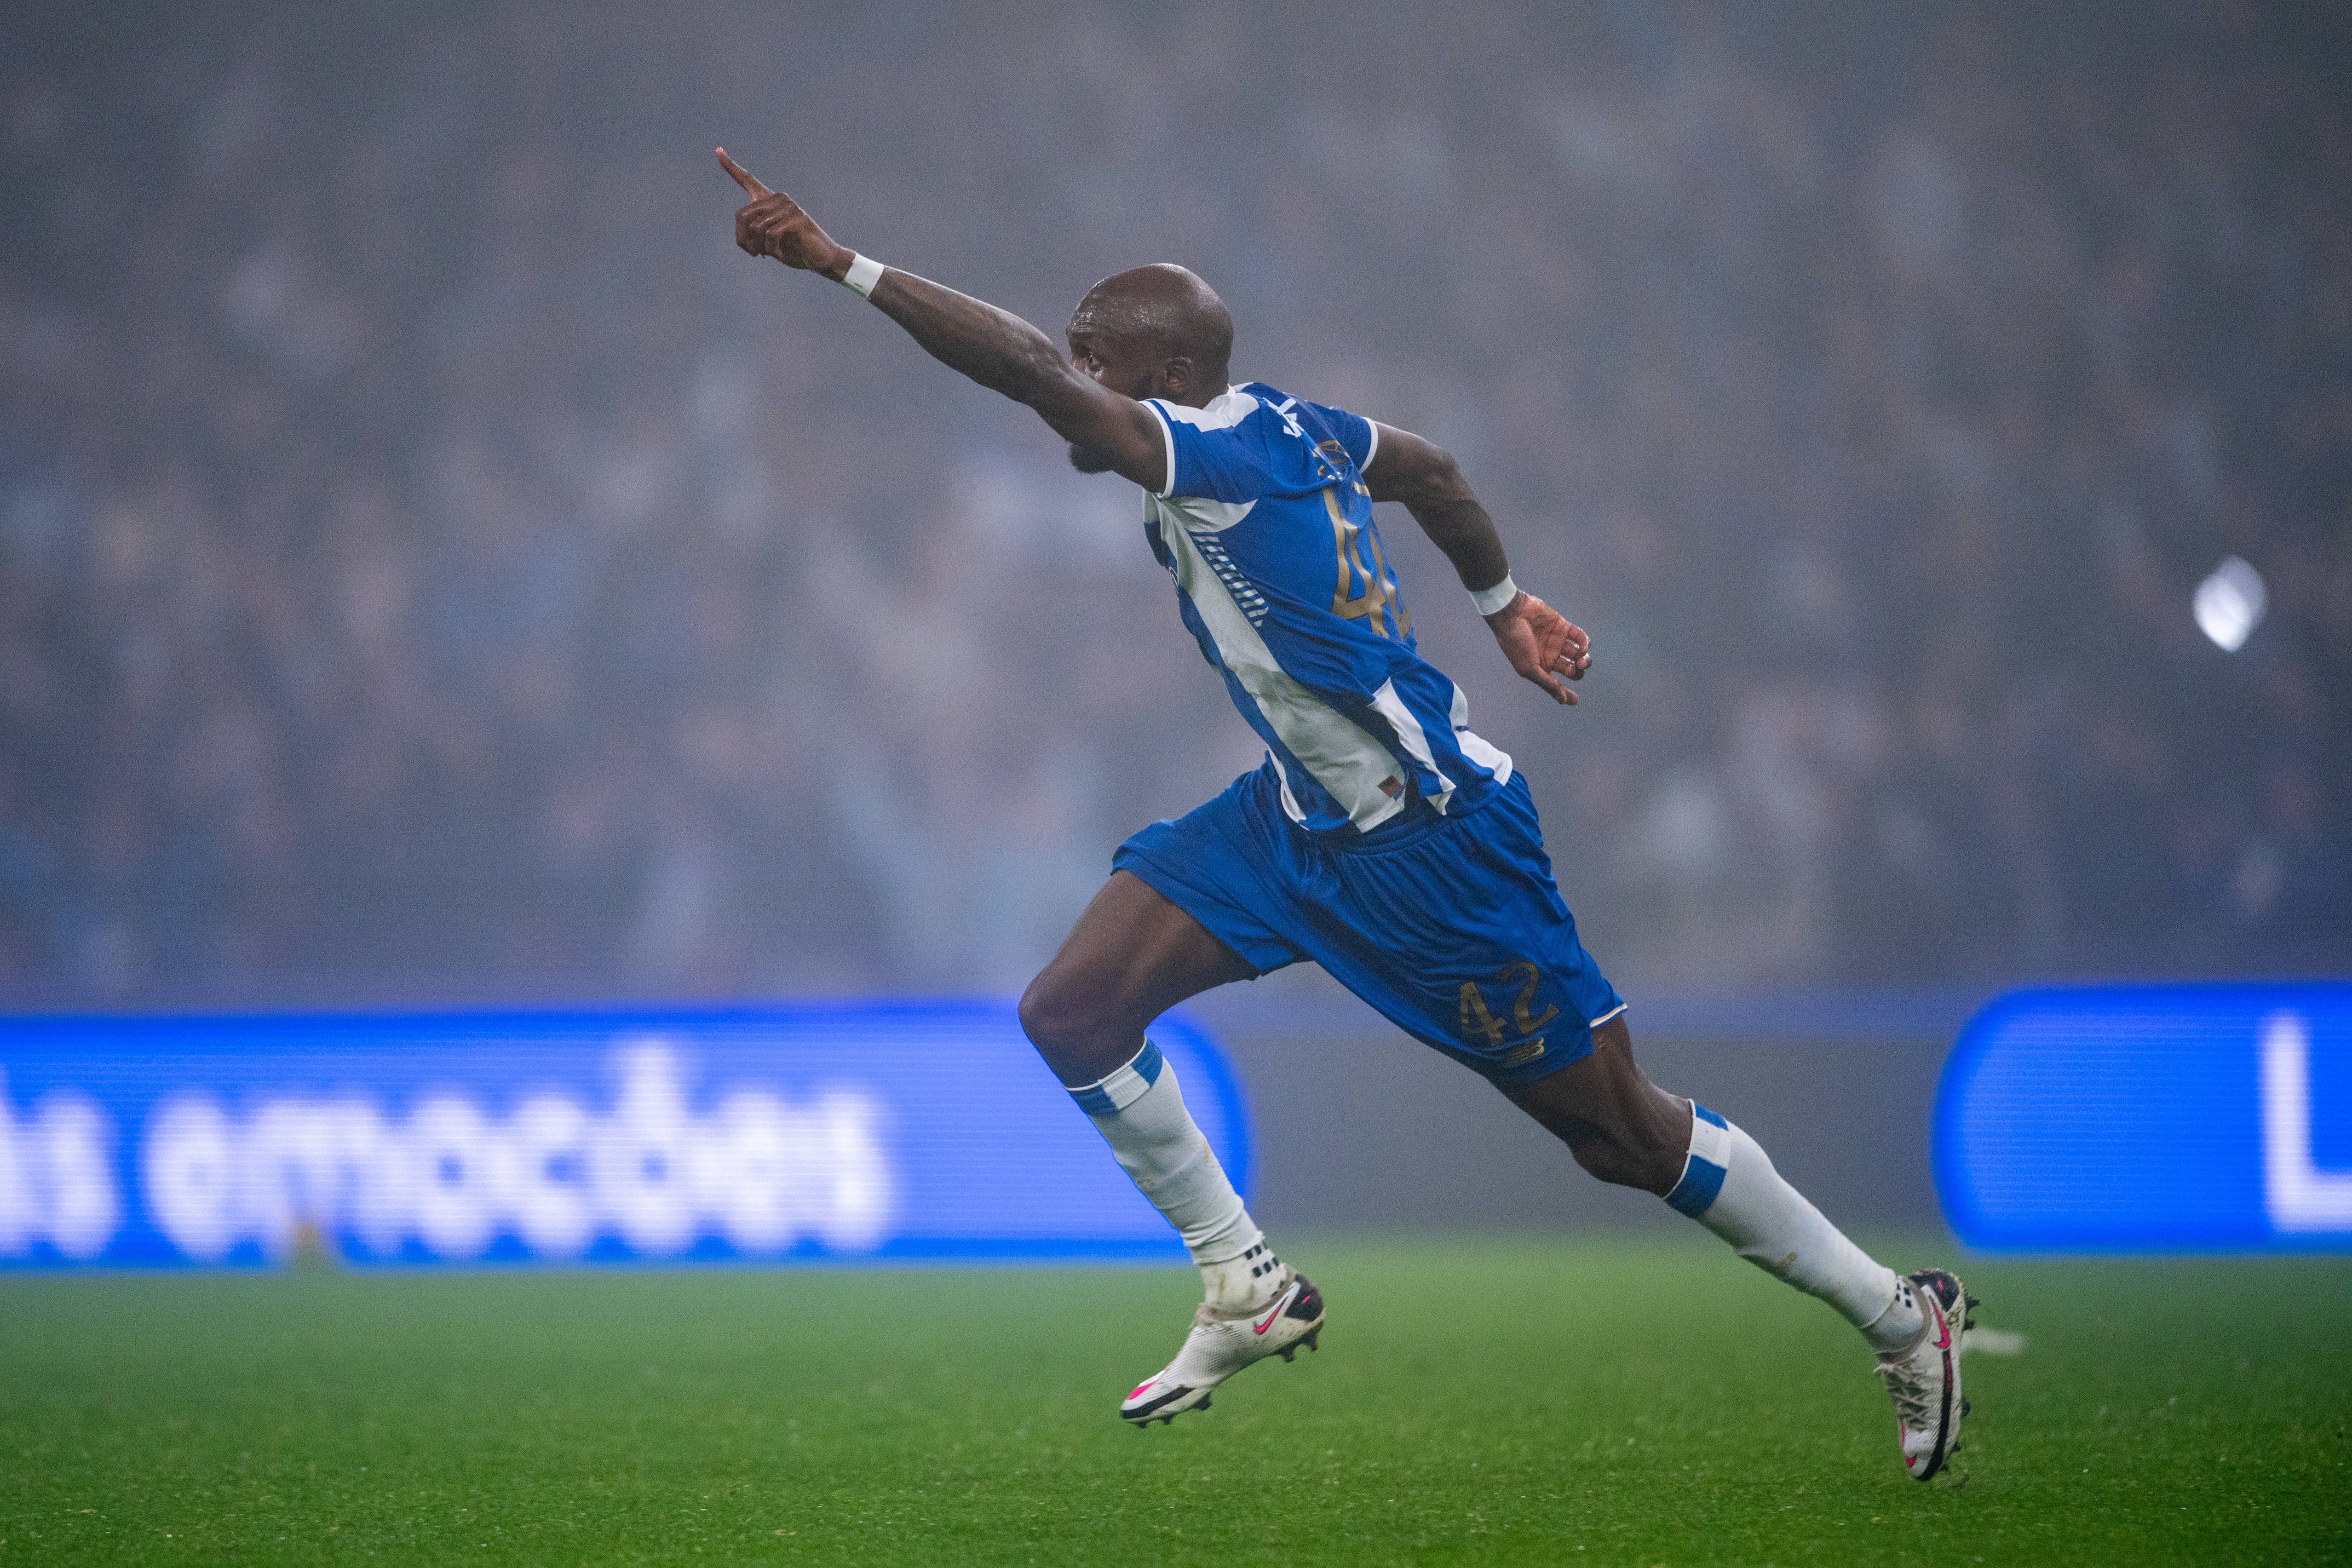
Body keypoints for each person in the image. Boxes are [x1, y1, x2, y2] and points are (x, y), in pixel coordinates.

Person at [717, 149, 1975, 1479]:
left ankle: (1900, 1317)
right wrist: (1503, 607)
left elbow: (1026, 368)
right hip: (1295, 821)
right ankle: (1241, 1280)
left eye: (1100, 360)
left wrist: (838, 264)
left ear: (1167, 379)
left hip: (1430, 849)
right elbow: (1431, 469)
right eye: (1080, 358)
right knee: (1071, 1009)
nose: (1077, 384)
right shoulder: (1295, 424)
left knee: (1619, 1131)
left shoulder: (1201, 448)